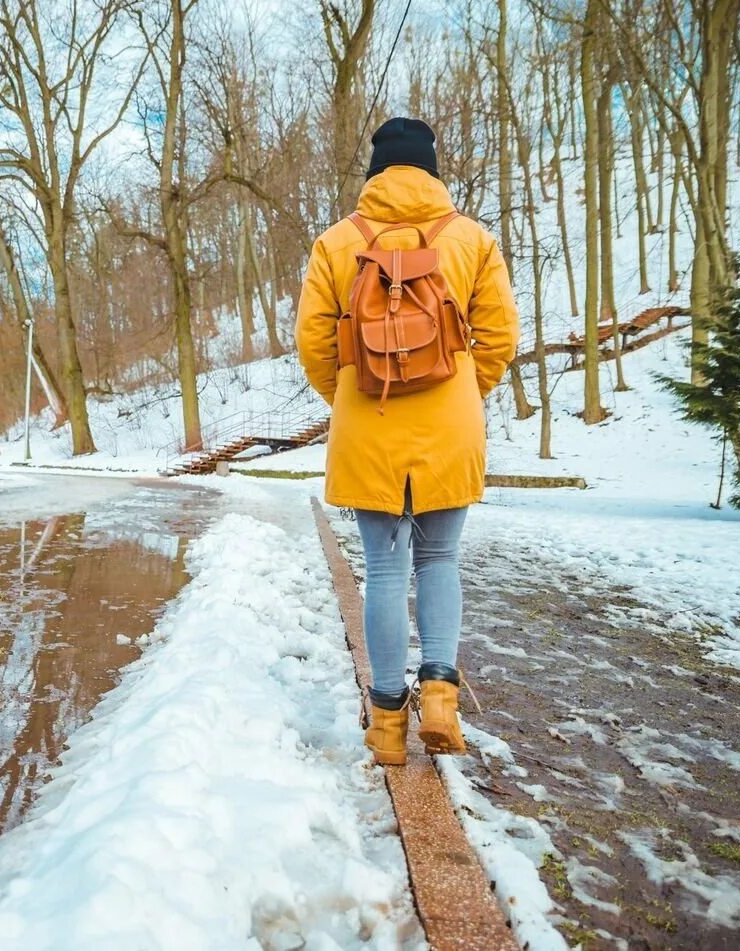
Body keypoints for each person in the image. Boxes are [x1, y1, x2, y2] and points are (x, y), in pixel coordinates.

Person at [295, 117, 519, 766]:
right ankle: (442, 698)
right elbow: (499, 336)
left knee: (387, 568)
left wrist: (348, 396)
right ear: (431, 169)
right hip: (451, 422)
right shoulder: (472, 238)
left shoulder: (337, 242)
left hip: (369, 420)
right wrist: (461, 393)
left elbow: (313, 342)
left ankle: (388, 726)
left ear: (377, 172)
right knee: (440, 557)